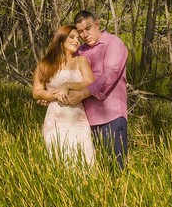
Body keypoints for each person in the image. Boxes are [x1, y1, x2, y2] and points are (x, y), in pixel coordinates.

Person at [55, 10, 128, 168]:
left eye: (88, 28)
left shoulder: (113, 43)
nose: (85, 34)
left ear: (97, 24)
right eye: (80, 31)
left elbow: (110, 74)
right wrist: (49, 95)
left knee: (115, 169)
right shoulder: (80, 51)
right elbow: (66, 75)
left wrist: (82, 94)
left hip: (111, 117)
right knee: (92, 170)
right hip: (84, 121)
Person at [32, 25, 96, 166]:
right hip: (55, 116)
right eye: (72, 37)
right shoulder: (45, 64)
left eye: (78, 39)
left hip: (77, 116)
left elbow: (90, 82)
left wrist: (67, 85)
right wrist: (55, 95)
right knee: (57, 156)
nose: (76, 41)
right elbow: (37, 92)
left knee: (83, 157)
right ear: (60, 39)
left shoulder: (80, 61)